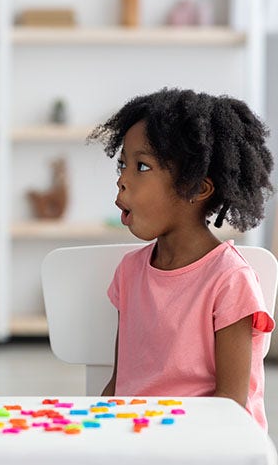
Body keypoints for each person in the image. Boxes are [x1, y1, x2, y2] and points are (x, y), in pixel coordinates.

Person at [89, 87, 275, 429]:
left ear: (196, 189)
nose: (122, 181)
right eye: (123, 165)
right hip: (138, 439)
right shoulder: (129, 272)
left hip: (208, 444)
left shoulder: (230, 279)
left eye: (141, 166)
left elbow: (230, 406)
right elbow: (121, 385)